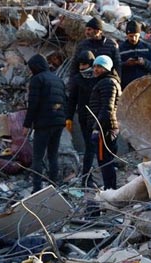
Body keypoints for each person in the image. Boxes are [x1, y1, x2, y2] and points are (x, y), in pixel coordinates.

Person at [23, 54, 67, 192]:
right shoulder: (58, 79)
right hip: (59, 122)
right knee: (53, 154)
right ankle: (54, 185)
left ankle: (37, 188)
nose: (30, 71)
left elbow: (33, 104)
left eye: (31, 68)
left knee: (37, 157)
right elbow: (65, 101)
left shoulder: (37, 80)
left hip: (44, 123)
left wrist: (26, 124)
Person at [87, 55, 122, 190]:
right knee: (106, 161)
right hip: (106, 127)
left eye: (99, 67)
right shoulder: (106, 81)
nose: (96, 69)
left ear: (107, 68)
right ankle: (110, 189)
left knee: (105, 161)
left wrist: (97, 128)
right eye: (95, 66)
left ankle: (110, 190)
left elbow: (107, 108)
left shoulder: (108, 83)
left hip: (105, 129)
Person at [66, 51, 98, 188]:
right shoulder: (77, 80)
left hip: (99, 118)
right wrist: (69, 117)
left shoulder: (99, 77)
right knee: (90, 149)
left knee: (99, 149)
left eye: (84, 64)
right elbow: (72, 100)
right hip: (85, 118)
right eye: (80, 65)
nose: (82, 68)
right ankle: (87, 178)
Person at [71, 17, 121, 82]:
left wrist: (117, 82)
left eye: (89, 30)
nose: (86, 32)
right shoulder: (82, 45)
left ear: (97, 31)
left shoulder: (111, 45)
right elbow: (74, 66)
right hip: (85, 83)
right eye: (86, 30)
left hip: (104, 83)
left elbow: (117, 66)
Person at [119, 20, 151, 90]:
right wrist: (126, 64)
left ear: (139, 34)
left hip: (144, 86)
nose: (133, 39)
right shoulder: (120, 49)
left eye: (135, 36)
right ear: (127, 35)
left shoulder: (146, 47)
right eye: (131, 36)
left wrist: (144, 62)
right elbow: (116, 67)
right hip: (127, 87)